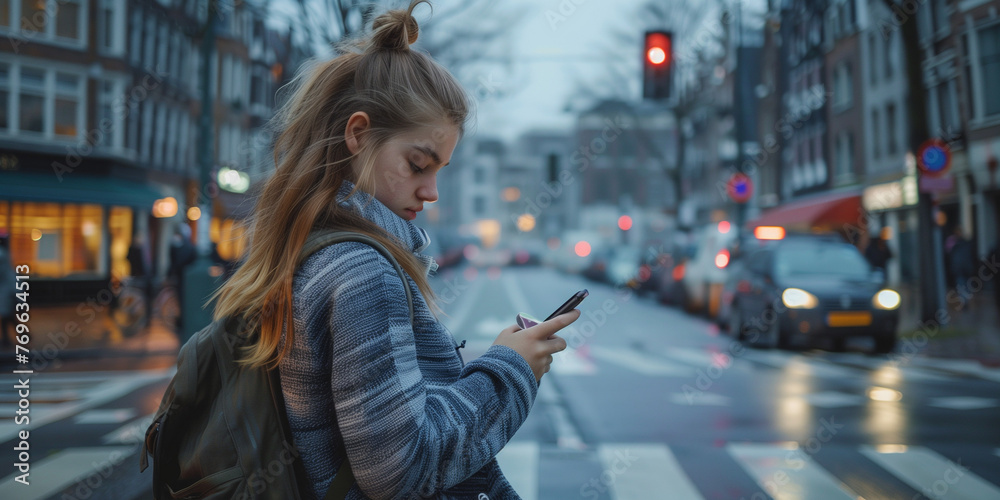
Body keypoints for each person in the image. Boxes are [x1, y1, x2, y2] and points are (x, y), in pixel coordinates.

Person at [209, 2, 579, 498]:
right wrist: (510, 369)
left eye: (439, 170)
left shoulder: (311, 251)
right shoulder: (363, 272)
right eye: (418, 164)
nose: (431, 192)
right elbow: (402, 471)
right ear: (358, 135)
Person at [167, 224, 196, 330]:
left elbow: (173, 261)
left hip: (180, 277)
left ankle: (181, 321)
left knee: (181, 300)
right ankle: (182, 321)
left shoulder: (178, 244)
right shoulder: (188, 246)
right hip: (184, 278)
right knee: (183, 300)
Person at [0, 234, 16, 348]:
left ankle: (7, 338)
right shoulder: (4, 254)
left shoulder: (2, 255)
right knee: (8, 315)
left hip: (5, 290)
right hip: (7, 290)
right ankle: (22, 333)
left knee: (7, 316)